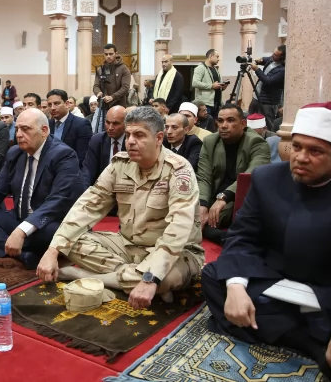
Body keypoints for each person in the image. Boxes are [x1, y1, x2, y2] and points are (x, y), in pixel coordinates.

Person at [202, 102, 331, 382]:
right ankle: (312, 342)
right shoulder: (267, 178)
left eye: (315, 151)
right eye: (297, 146)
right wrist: (236, 287)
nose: (300, 158)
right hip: (276, 281)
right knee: (213, 276)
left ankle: (284, 330)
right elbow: (242, 235)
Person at [37, 106, 205, 309]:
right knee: (70, 241)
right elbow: (87, 207)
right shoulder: (119, 164)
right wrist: (53, 250)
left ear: (159, 138)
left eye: (139, 135)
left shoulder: (179, 170)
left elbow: (178, 229)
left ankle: (85, 275)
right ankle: (133, 276)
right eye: (128, 135)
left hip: (176, 252)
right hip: (127, 245)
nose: (130, 141)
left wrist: (152, 277)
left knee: (166, 277)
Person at [0, 108, 82, 269]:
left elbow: (57, 201)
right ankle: (22, 254)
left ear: (44, 130)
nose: (19, 134)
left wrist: (22, 230)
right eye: (17, 129)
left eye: (25, 129)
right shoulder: (15, 153)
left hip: (48, 221)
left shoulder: (63, 155)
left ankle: (14, 244)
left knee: (52, 233)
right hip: (19, 217)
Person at [197, 104, 271, 244]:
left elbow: (251, 175)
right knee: (187, 214)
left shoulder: (257, 143)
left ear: (243, 124)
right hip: (213, 196)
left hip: (239, 197)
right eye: (220, 121)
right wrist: (203, 205)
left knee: (207, 220)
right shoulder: (210, 141)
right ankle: (224, 236)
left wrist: (223, 198)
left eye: (230, 120)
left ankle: (225, 237)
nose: (224, 125)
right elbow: (203, 177)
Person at [81, 105, 126, 190]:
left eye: (116, 123)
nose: (110, 127)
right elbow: (88, 171)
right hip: (102, 188)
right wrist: (84, 192)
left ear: (126, 124)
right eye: (107, 122)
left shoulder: (131, 142)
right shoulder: (97, 140)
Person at [47, 89, 92, 166]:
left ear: (67, 104)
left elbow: (83, 156)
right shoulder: (46, 125)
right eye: (49, 104)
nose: (52, 108)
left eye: (56, 103)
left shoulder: (81, 124)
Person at [249, 45, 286, 129]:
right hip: (257, 97)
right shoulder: (272, 59)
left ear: (282, 57)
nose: (273, 55)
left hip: (268, 102)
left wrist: (257, 69)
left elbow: (268, 81)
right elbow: (266, 59)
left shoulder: (282, 70)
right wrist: (259, 60)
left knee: (268, 124)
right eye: (273, 53)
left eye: (276, 55)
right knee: (251, 120)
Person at [93, 43, 131, 110]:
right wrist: (98, 92)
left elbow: (125, 87)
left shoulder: (124, 69)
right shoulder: (100, 70)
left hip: (118, 107)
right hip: (102, 106)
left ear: (116, 53)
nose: (108, 56)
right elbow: (96, 86)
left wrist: (112, 97)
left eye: (111, 54)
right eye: (106, 54)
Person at [192, 49, 223, 119]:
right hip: (205, 104)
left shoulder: (216, 69)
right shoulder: (200, 68)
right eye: (217, 56)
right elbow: (195, 83)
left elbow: (216, 86)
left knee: (215, 124)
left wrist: (222, 87)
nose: (218, 59)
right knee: (206, 123)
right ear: (211, 56)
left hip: (216, 103)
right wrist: (211, 86)